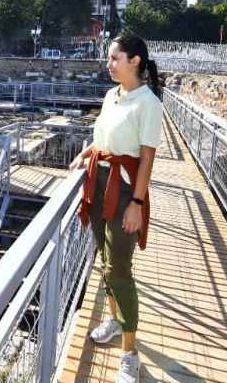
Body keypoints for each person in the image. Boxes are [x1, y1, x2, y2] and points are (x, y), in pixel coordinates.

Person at [68, 34, 163, 383]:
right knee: (105, 263)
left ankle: (130, 353)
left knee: (120, 268)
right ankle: (112, 318)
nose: (108, 64)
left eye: (114, 58)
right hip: (98, 182)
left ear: (135, 61)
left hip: (124, 189)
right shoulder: (112, 95)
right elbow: (102, 138)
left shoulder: (148, 103)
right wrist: (84, 154)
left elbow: (147, 158)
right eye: (109, 58)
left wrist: (136, 203)